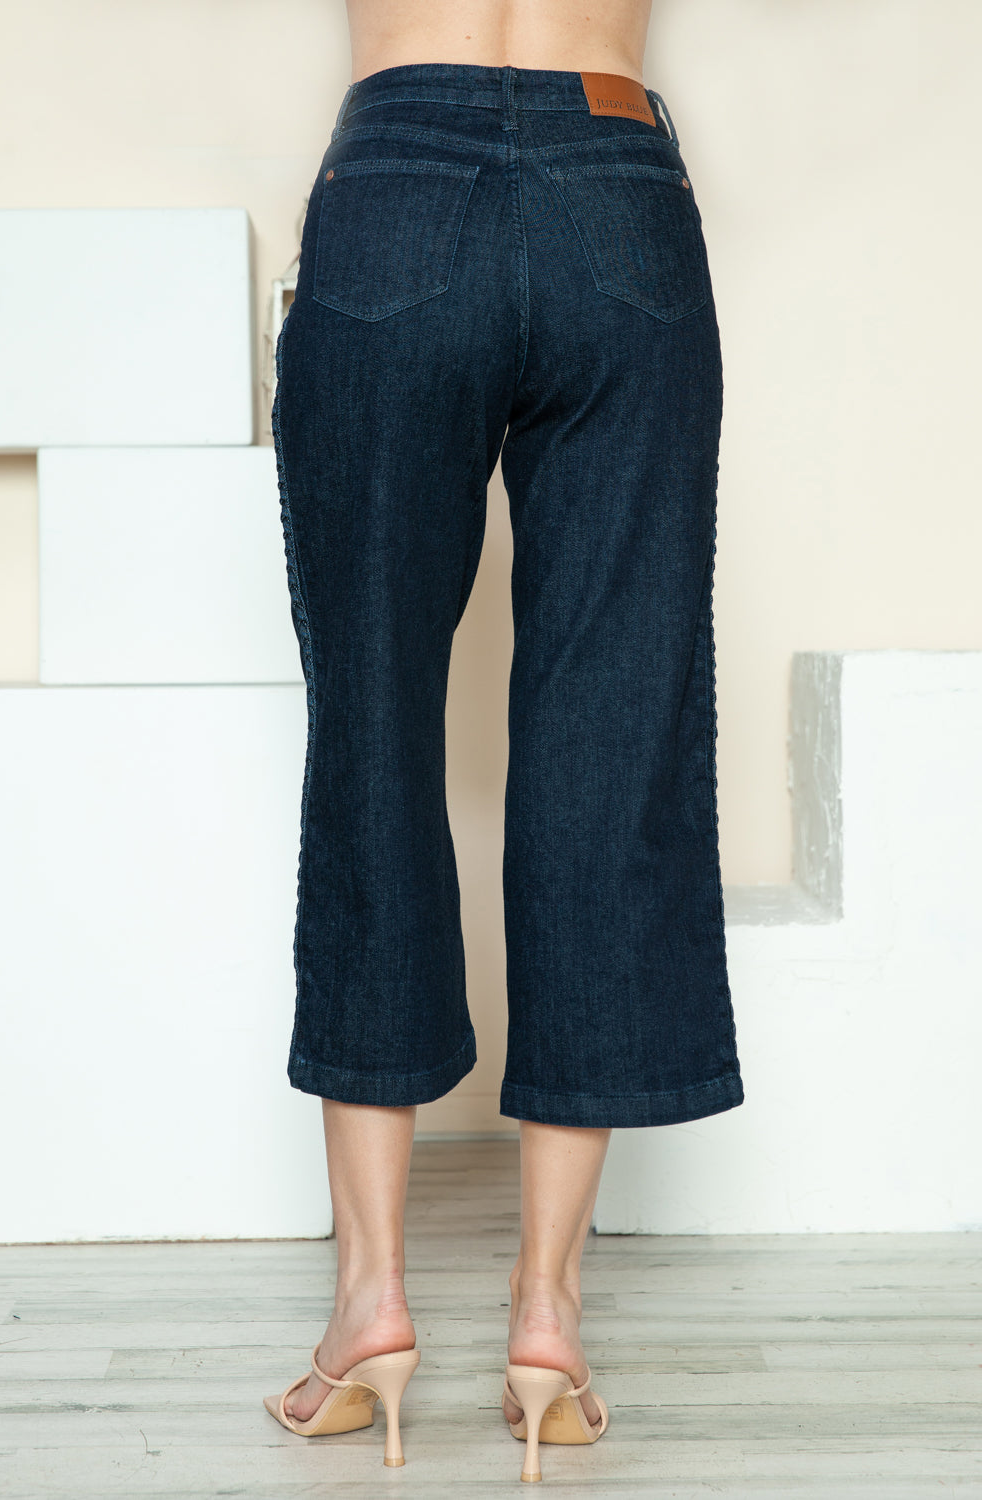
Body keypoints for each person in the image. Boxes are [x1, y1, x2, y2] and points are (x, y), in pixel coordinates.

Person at [263, 0, 745, 1480]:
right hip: (618, 184)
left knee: (374, 743)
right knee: (613, 743)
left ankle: (373, 1307)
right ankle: (548, 1318)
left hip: (396, 174)